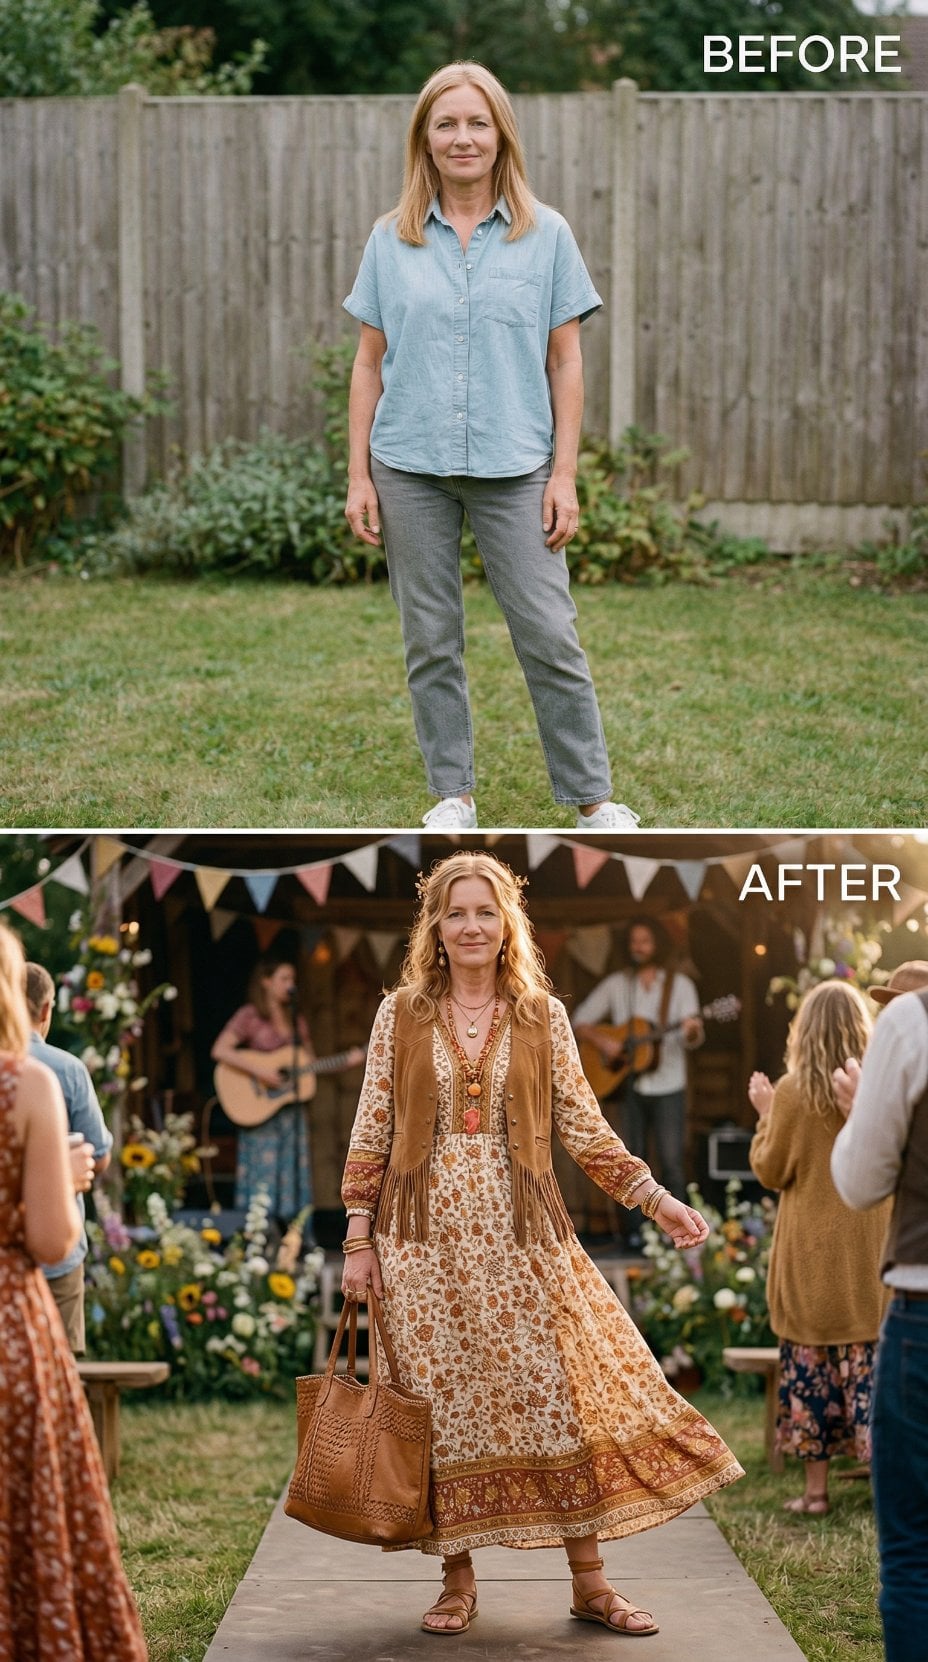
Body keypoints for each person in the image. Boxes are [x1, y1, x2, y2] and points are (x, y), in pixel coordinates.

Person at [340, 852, 742, 1638]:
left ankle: (590, 1583)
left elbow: (584, 1128)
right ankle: (457, 1582)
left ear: (507, 924)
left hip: (522, 1237)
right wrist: (359, 1234)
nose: (471, 926)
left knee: (557, 1397)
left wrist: (655, 1199)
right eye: (456, 912)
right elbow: (372, 1125)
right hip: (420, 1246)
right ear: (435, 926)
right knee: (440, 1409)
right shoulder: (401, 1014)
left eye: (485, 911)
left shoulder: (541, 1016)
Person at [343, 60, 639, 834]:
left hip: (517, 467)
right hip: (408, 467)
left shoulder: (548, 236)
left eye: (478, 122)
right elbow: (369, 363)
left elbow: (566, 361)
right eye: (446, 124)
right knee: (430, 638)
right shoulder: (390, 240)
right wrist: (358, 476)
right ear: (425, 140)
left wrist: (564, 475)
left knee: (549, 633)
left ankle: (593, 800)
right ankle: (454, 795)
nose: (463, 137)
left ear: (501, 135)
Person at [0, 922, 148, 1659]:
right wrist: (63, 1173)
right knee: (40, 1455)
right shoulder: (36, 1077)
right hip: (23, 1298)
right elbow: (55, 1231)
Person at [747, 979, 891, 1517]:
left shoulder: (791, 1093)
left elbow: (770, 1169)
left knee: (810, 1373)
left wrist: (766, 1115)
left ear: (803, 1031)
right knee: (870, 1375)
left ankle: (815, 1493)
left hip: (810, 1261)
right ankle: (885, 1493)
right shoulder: (879, 1088)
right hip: (868, 1257)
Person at [831, 962, 928, 1662]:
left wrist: (861, 1108)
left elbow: (861, 1182)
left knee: (914, 1551)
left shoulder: (911, 1022)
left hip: (925, 1308)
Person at [572, 917, 703, 1242]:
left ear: (658, 944)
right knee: (631, 1158)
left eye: (645, 941)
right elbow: (580, 1020)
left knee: (671, 1159)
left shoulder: (680, 986)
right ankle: (634, 1237)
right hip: (629, 1084)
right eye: (634, 941)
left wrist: (691, 1031)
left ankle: (682, 1232)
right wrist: (606, 1043)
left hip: (669, 1084)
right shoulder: (618, 984)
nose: (639, 947)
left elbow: (693, 1037)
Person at [211, 957, 363, 1223]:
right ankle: (258, 1229)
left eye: (293, 979)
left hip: (289, 1111)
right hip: (259, 1109)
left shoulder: (296, 1020)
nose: (290, 985)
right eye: (284, 979)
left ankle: (293, 1231)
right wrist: (261, 1072)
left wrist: (346, 1061)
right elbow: (220, 1050)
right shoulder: (250, 1016)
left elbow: (310, 1064)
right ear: (265, 982)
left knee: (293, 1172)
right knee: (263, 1173)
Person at [25, 961, 112, 1355]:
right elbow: (99, 1156)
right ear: (46, 1009)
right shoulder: (65, 1070)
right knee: (62, 1368)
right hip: (57, 1253)